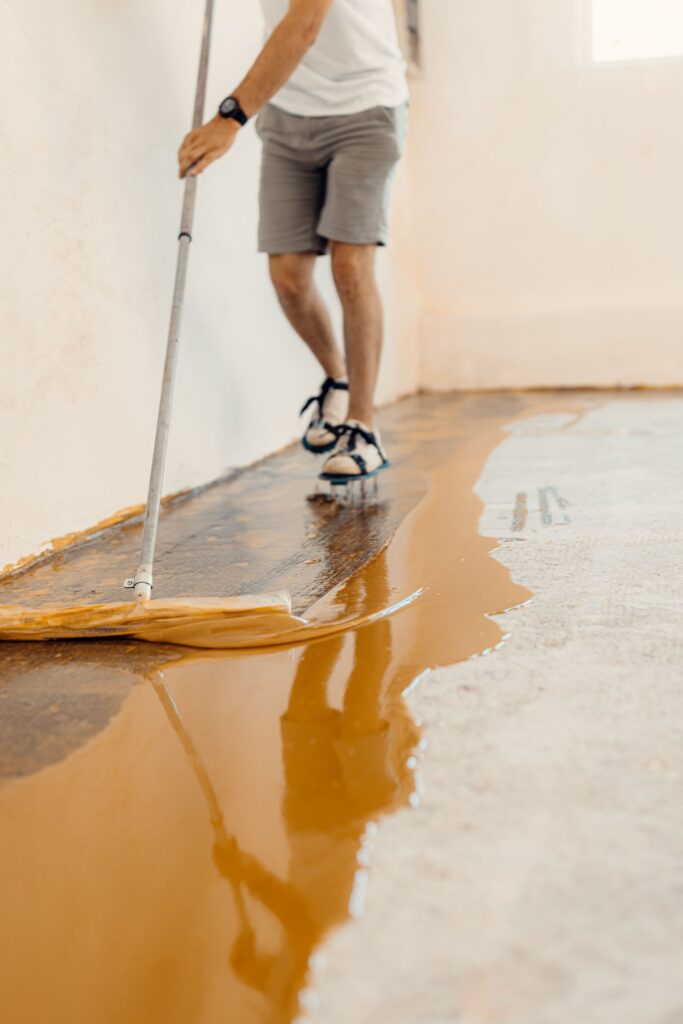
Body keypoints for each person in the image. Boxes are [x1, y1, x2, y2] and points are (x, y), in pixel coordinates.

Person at [178, 0, 408, 484]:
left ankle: (363, 426)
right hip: (288, 115)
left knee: (350, 266)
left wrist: (229, 118)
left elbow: (303, 26)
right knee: (288, 280)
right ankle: (338, 378)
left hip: (367, 108)